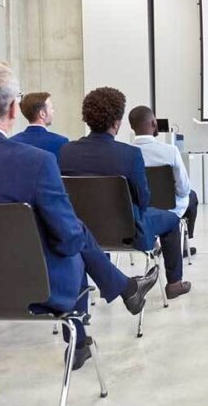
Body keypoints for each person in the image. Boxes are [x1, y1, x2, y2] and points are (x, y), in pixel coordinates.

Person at [0, 61, 158, 371]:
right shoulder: (36, 162)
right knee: (74, 240)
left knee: (74, 233)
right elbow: (68, 241)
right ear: (13, 110)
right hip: (38, 290)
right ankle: (87, 332)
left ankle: (124, 290)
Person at [59, 87, 191, 300]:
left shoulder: (65, 152)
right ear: (117, 122)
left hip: (80, 233)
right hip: (128, 233)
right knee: (172, 220)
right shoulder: (128, 155)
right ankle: (174, 283)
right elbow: (143, 200)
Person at [128, 105, 199, 255]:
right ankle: (183, 244)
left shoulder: (125, 152)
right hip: (169, 208)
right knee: (192, 196)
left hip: (138, 211)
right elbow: (183, 189)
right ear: (154, 123)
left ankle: (156, 244)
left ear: (132, 127)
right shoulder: (170, 151)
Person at [11, 91, 69, 158]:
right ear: (42, 114)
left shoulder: (12, 142)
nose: (53, 111)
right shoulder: (61, 142)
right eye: (51, 108)